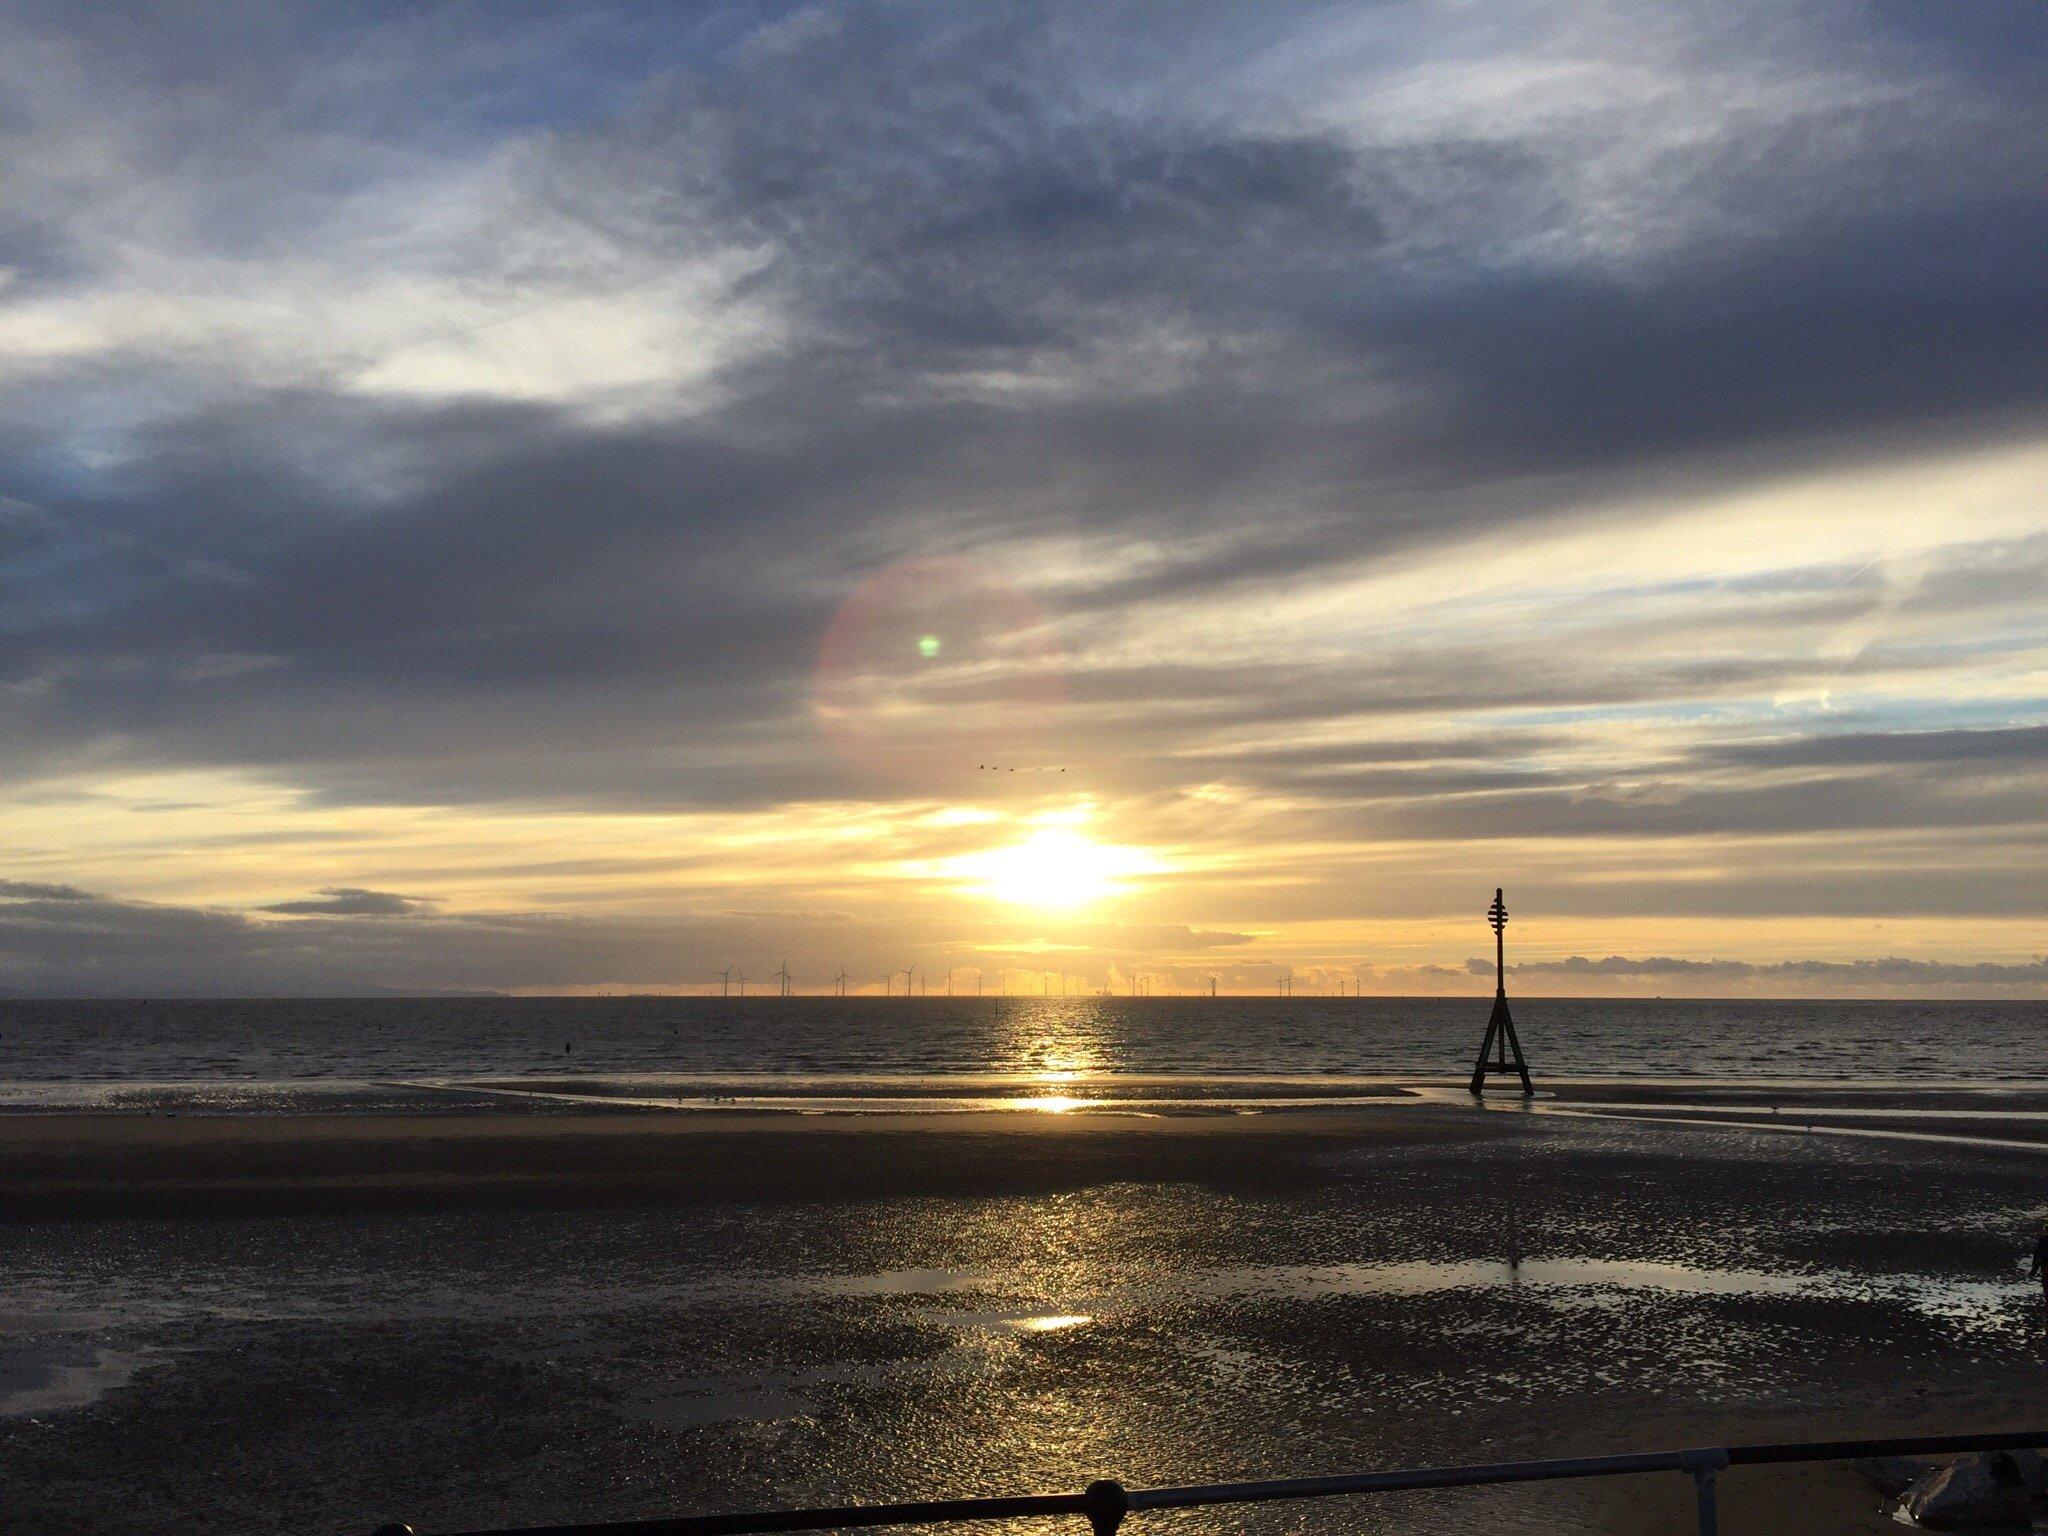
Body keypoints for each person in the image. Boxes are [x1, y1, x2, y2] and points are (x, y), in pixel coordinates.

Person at [2029, 1221, 2048, 1305]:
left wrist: (2034, 1269)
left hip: (2045, 1265)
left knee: (2046, 1284)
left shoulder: (2043, 1240)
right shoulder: (2042, 1240)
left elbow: (2037, 1254)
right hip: (2045, 1265)